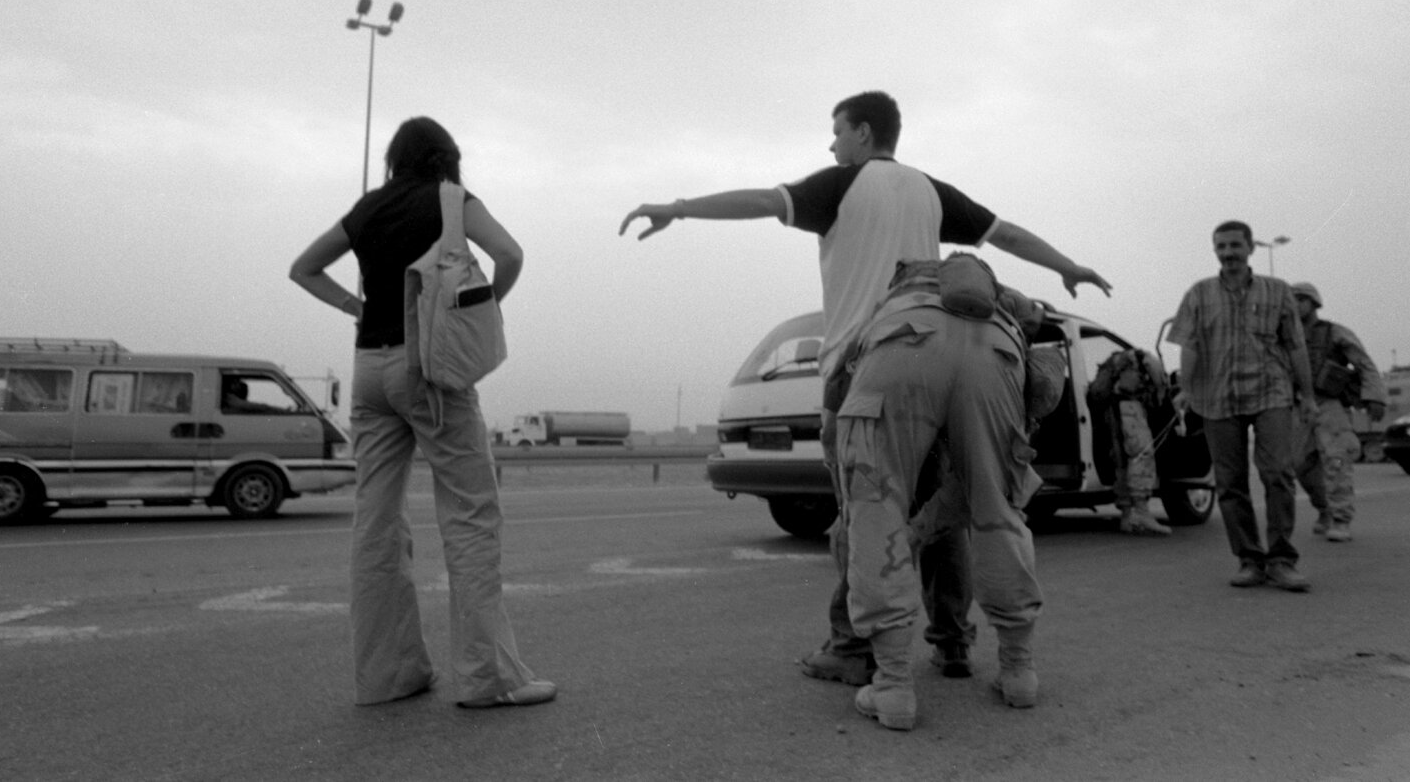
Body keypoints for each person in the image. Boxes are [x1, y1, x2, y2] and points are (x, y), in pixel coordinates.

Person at [620, 91, 1111, 726]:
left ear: (863, 134)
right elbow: (1007, 234)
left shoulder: (842, 183)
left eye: (837, 132)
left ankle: (880, 670)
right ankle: (997, 660)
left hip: (878, 358)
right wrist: (1068, 266)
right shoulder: (931, 191)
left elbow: (765, 203)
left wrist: (678, 209)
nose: (830, 145)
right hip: (970, 338)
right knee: (978, 506)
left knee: (870, 512)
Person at [289, 116, 555, 709]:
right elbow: (510, 254)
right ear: (447, 157)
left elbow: (303, 267)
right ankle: (489, 679)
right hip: (430, 369)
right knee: (469, 515)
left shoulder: (367, 207)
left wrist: (355, 305)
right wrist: (473, 311)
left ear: (395, 157)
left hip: (369, 370)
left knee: (377, 523)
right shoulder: (452, 200)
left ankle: (389, 676)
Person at [1168, 221, 1316, 592]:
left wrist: (1308, 395)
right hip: (1218, 397)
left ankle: (1282, 559)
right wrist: (1186, 389)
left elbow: (1296, 346)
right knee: (1230, 483)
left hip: (1272, 392)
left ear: (1250, 248)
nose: (1228, 252)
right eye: (1221, 246)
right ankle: (1249, 559)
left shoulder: (1278, 291)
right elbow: (1189, 346)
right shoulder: (1198, 294)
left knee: (1278, 473)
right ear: (1214, 250)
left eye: (1235, 245)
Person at [1289, 282, 1387, 543]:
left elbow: (1364, 363)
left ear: (1314, 303)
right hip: (1297, 406)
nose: (1296, 304)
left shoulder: (1334, 332)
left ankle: (1341, 518)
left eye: (1301, 299)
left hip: (1328, 404)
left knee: (1336, 459)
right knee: (1298, 463)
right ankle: (1324, 509)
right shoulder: (1285, 335)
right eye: (1292, 299)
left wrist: (1375, 397)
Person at [1087, 348, 1174, 536]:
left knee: (1121, 461)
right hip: (1131, 410)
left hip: (1111, 412)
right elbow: (1159, 386)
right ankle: (1142, 513)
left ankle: (1127, 516)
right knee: (1141, 455)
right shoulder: (1149, 360)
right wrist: (1160, 396)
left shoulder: (1117, 360)